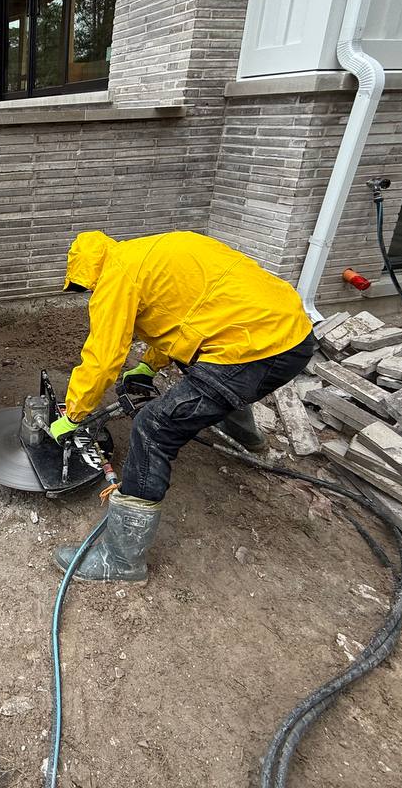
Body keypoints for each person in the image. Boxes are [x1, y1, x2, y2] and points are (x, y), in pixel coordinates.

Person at [49, 231, 315, 582]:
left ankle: (121, 561)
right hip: (291, 335)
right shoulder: (155, 251)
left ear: (88, 273)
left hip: (253, 350)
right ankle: (247, 437)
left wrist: (73, 414)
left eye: (87, 288)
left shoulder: (116, 276)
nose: (91, 294)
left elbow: (103, 358)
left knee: (153, 428)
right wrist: (148, 366)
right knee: (211, 369)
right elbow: (187, 317)